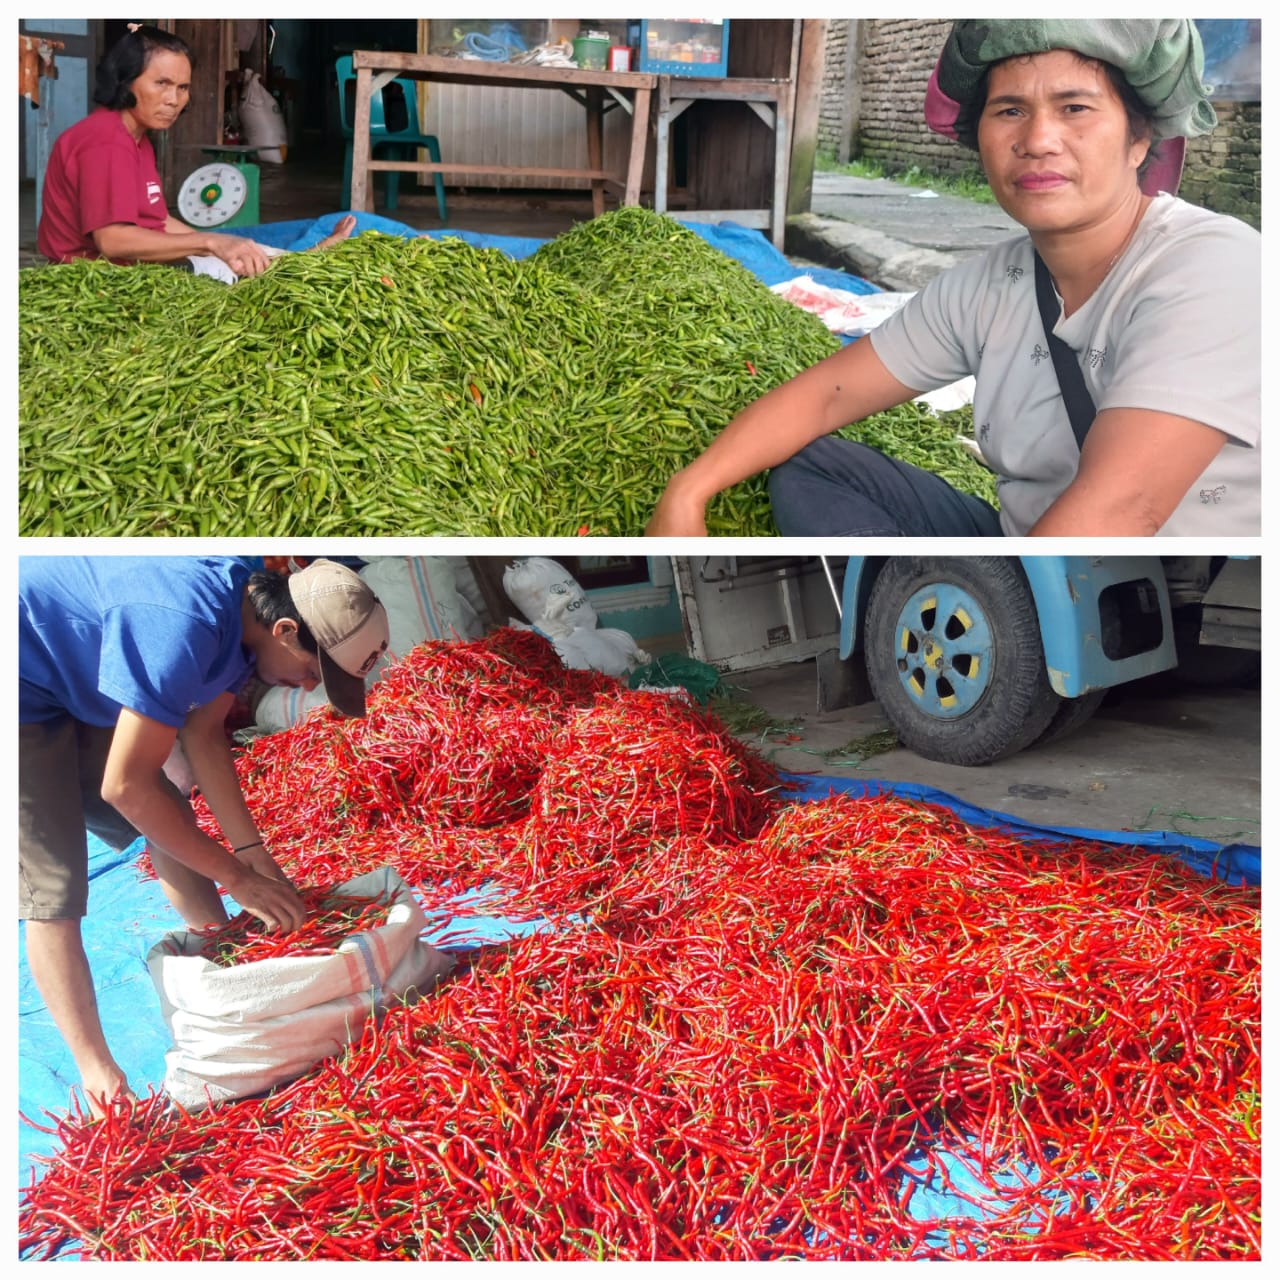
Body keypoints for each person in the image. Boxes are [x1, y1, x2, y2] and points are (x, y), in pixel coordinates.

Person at [646, 19, 1260, 538]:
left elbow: (1127, 506)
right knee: (814, 465)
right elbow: (827, 394)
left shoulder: (1212, 265)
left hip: (1180, 593)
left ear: (1138, 139)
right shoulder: (988, 285)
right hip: (1029, 549)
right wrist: (688, 489)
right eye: (1010, 111)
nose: (1038, 140)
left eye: (1075, 108)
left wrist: (1002, 622)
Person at [19, 557, 390, 1116]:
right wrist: (236, 877)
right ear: (285, 631)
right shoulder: (182, 626)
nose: (311, 686)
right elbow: (125, 787)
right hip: (17, 680)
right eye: (315, 671)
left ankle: (224, 951)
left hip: (74, 671)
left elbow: (205, 735)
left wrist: (253, 857)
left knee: (172, 818)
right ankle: (101, 1079)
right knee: (55, 889)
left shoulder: (248, 610)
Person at [37, 24, 355, 283]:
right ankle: (295, 265)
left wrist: (224, 247)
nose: (174, 99)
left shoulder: (137, 139)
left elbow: (158, 220)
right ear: (126, 81)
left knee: (240, 261)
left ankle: (292, 261)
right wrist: (209, 243)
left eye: (182, 87)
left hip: (132, 268)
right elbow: (112, 240)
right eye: (161, 83)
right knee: (250, 287)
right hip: (96, 280)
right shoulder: (104, 140)